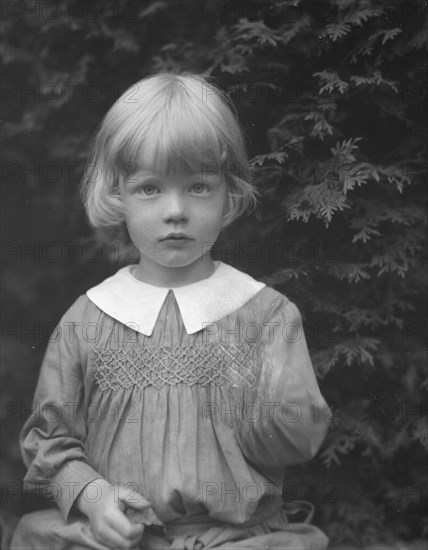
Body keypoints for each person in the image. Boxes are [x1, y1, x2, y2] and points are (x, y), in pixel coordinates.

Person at [11, 72, 331, 550]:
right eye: (150, 189)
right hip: (122, 537)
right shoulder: (89, 318)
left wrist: (262, 388)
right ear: (117, 196)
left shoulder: (262, 313)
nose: (175, 210)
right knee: (36, 538)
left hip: (232, 537)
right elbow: (49, 442)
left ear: (230, 194)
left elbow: (298, 440)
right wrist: (96, 499)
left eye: (199, 187)